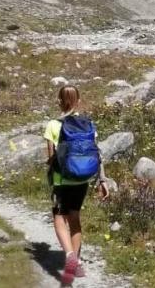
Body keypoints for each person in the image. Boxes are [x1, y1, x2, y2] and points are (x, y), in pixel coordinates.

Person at [44, 85, 109, 286]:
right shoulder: (88, 124)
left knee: (59, 217)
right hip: (83, 179)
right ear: (78, 101)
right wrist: (102, 180)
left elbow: (51, 158)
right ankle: (77, 263)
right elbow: (97, 153)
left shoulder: (53, 125)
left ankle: (70, 256)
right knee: (74, 217)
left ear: (59, 101)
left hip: (62, 179)